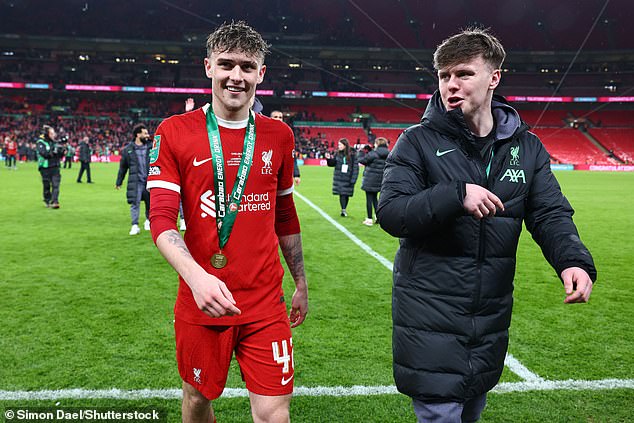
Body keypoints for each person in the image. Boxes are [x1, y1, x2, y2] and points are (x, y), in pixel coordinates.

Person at [376, 28, 596, 423]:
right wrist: (455, 194)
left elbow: (550, 213)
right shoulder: (416, 142)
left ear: (494, 77)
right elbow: (391, 213)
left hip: (489, 318)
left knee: (472, 411)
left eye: (463, 74)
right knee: (441, 414)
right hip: (430, 318)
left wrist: (572, 261)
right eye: (444, 76)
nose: (451, 85)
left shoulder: (526, 148)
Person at [147, 21, 308, 423]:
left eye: (247, 67)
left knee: (275, 414)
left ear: (261, 74)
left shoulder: (279, 136)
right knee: (198, 400)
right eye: (226, 64)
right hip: (201, 302)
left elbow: (285, 214)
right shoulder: (174, 132)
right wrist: (196, 278)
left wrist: (300, 280)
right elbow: (161, 218)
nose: (236, 76)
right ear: (208, 67)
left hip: (265, 303)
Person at [116, 124, 151, 235]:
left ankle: (148, 221)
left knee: (150, 203)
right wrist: (119, 182)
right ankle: (135, 225)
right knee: (135, 203)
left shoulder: (151, 147)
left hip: (149, 181)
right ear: (138, 134)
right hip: (136, 182)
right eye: (145, 133)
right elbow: (123, 167)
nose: (147, 135)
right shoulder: (128, 150)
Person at [359, 137, 389, 226]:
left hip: (370, 179)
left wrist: (361, 152)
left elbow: (362, 160)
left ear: (378, 144)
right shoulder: (389, 153)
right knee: (375, 199)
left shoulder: (374, 154)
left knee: (369, 199)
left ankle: (369, 219)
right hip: (380, 179)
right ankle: (378, 217)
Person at [326, 138, 358, 216]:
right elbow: (332, 164)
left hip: (348, 177)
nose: (338, 146)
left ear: (345, 145)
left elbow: (355, 167)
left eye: (340, 144)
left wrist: (353, 179)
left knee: (346, 194)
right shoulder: (337, 153)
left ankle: (344, 208)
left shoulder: (352, 154)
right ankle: (343, 210)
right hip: (340, 177)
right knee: (342, 194)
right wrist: (328, 159)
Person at [271, 110, 301, 185]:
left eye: (280, 117)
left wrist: (296, 174)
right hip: (267, 172)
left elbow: (292, 157)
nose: (278, 119)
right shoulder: (263, 133)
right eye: (275, 117)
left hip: (282, 175)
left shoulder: (287, 135)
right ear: (270, 118)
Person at [36, 125, 63, 208]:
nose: (53, 135)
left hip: (55, 166)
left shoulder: (55, 143)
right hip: (45, 167)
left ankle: (55, 201)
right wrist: (53, 152)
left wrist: (62, 152)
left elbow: (59, 156)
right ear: (47, 134)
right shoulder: (40, 142)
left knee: (56, 185)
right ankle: (47, 200)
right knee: (46, 185)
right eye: (51, 133)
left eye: (53, 133)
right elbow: (44, 154)